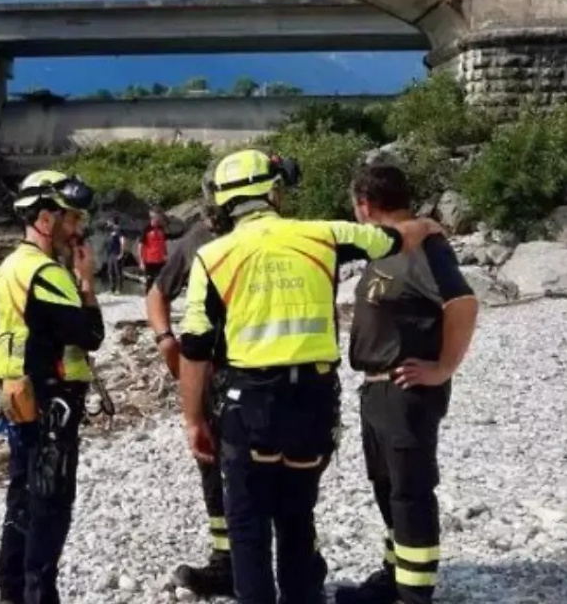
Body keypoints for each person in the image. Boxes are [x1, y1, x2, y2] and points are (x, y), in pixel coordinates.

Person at [178, 148, 445, 604]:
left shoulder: (212, 257)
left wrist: (193, 420)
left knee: (248, 523)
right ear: (274, 193)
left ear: (223, 203)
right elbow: (393, 239)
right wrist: (427, 226)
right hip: (313, 401)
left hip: (249, 403)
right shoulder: (322, 235)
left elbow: (195, 350)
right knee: (297, 516)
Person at [335, 165, 479, 604]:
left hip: (407, 390)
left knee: (410, 491)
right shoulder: (392, 244)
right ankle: (394, 575)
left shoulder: (423, 247)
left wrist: (442, 368)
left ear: (364, 203)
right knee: (385, 486)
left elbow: (464, 303)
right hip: (376, 387)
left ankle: (415, 594)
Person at [0, 169, 104, 604]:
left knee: (23, 497)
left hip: (20, 399)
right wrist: (87, 282)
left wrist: (4, 368)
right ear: (46, 220)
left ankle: (11, 591)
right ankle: (37, 595)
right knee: (50, 505)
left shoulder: (11, 267)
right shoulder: (46, 274)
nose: (77, 229)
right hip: (51, 402)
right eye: (71, 219)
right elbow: (92, 334)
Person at [146, 207, 236, 597]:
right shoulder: (199, 239)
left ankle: (298, 566)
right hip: (217, 372)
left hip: (271, 373)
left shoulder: (277, 235)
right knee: (213, 467)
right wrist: (166, 340)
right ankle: (225, 561)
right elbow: (157, 293)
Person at [138, 209, 169, 293]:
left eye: (159, 217)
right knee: (149, 280)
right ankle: (148, 298)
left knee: (161, 280)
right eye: (157, 217)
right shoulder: (146, 229)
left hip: (160, 259)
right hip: (149, 260)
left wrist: (166, 254)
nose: (159, 219)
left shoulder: (161, 229)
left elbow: (163, 243)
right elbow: (140, 245)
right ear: (153, 218)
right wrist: (141, 261)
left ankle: (160, 299)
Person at [104, 219, 126, 294]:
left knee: (118, 272)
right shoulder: (110, 231)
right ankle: (111, 288)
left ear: (112, 221)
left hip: (117, 253)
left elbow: (123, 240)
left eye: (108, 221)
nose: (107, 223)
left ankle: (119, 289)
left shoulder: (118, 229)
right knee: (110, 271)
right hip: (110, 254)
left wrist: (121, 253)